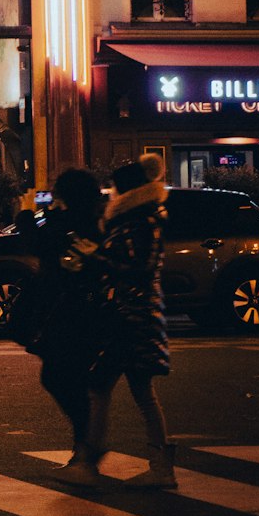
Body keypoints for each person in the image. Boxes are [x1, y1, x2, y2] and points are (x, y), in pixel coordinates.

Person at [61, 150, 176, 489]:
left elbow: (135, 270)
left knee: (101, 387)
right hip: (137, 315)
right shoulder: (144, 219)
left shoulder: (138, 223)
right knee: (138, 391)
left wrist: (97, 261)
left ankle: (90, 461)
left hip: (130, 316)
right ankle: (159, 466)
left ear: (124, 195)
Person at [12, 168, 104, 473]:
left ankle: (87, 448)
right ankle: (85, 447)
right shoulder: (91, 222)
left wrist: (26, 215)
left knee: (60, 377)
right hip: (83, 313)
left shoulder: (67, 224)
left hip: (67, 313)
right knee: (68, 379)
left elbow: (36, 245)